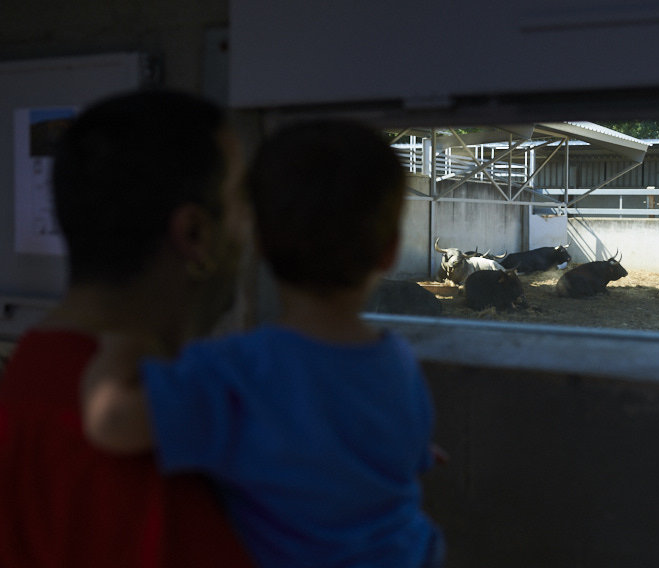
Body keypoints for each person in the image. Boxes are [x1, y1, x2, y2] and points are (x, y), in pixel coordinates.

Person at [83, 119, 445, 567]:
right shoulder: (397, 362)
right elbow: (400, 453)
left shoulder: (236, 369)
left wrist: (124, 336)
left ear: (259, 244)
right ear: (389, 251)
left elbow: (110, 421)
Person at [0, 90, 255, 567]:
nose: (253, 224)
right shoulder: (145, 444)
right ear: (196, 235)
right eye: (242, 198)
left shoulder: (32, 371)